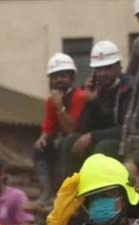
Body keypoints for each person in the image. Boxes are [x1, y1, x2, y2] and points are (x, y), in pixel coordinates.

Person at [65, 41, 135, 165]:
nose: (103, 73)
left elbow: (126, 128)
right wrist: (91, 102)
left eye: (108, 68)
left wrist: (93, 136)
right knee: (69, 141)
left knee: (103, 148)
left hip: (125, 143)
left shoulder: (128, 88)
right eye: (99, 69)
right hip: (102, 137)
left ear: (119, 67)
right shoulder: (96, 88)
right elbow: (83, 129)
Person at [34, 53, 87, 202]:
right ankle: (47, 192)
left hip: (80, 140)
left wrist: (59, 107)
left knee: (66, 142)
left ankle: (66, 192)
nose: (58, 80)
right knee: (40, 148)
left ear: (71, 78)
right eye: (55, 77)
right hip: (64, 140)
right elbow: (48, 128)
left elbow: (72, 129)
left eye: (63, 76)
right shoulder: (52, 100)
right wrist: (43, 139)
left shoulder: (79, 97)